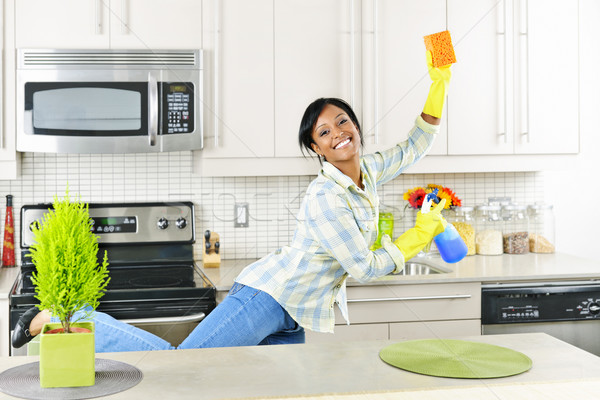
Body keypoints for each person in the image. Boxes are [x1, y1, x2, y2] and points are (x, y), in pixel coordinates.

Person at [12, 51, 452, 352]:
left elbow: (416, 143)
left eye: (342, 121)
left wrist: (439, 84)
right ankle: (57, 318)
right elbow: (364, 268)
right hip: (266, 298)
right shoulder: (325, 197)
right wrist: (420, 234)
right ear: (316, 149)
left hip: (294, 313)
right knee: (186, 364)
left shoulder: (369, 169)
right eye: (324, 131)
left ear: (356, 126)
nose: (338, 132)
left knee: (262, 389)